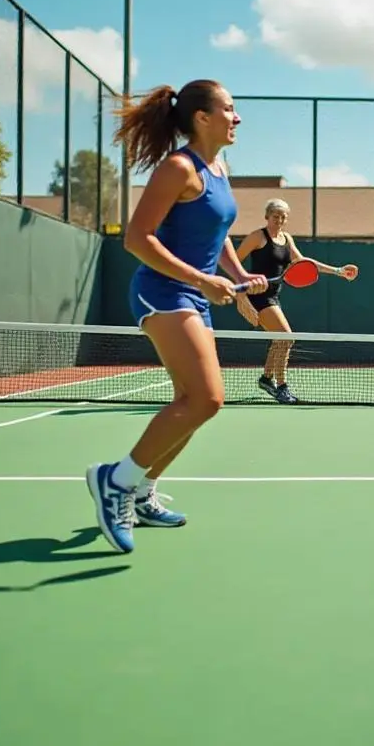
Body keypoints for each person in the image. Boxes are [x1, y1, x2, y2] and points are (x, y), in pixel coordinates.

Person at [84, 79, 268, 553]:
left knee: (191, 404)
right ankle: (117, 481)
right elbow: (137, 239)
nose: (238, 117)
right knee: (207, 399)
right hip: (163, 292)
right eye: (230, 109)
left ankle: (143, 493)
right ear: (202, 118)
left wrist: (238, 274)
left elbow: (217, 231)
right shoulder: (178, 168)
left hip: (194, 296)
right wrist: (203, 280)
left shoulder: (217, 168)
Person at [231, 197, 359, 403]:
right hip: (257, 296)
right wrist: (241, 293)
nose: (279, 221)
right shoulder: (257, 237)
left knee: (280, 339)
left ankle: (266, 378)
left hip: (272, 295)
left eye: (283, 217)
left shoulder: (287, 239)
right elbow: (233, 262)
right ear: (267, 216)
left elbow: (303, 264)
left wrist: (338, 271)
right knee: (286, 337)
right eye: (275, 216)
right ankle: (281, 387)